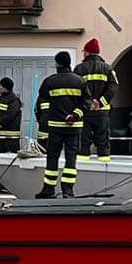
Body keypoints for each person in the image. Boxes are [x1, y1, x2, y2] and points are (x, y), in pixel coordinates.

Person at [35, 51, 88, 197]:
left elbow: (41, 103)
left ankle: (48, 189)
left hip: (55, 127)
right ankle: (68, 191)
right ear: (69, 63)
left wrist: (44, 119)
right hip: (74, 128)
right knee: (71, 159)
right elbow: (86, 103)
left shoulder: (49, 82)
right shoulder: (80, 81)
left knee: (52, 158)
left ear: (57, 63)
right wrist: (75, 115)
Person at [75, 38, 117, 163]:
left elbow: (76, 89)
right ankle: (104, 161)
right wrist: (101, 102)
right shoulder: (108, 69)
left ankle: (83, 162)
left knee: (84, 138)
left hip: (86, 110)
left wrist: (88, 103)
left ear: (87, 52)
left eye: (84, 51)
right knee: (103, 138)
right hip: (102, 111)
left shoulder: (79, 69)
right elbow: (113, 87)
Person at [0, 76, 23, 154]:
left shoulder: (14, 100)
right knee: (0, 157)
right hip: (1, 136)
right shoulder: (2, 98)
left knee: (10, 158)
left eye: (0, 86)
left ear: (5, 87)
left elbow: (10, 116)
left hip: (11, 139)